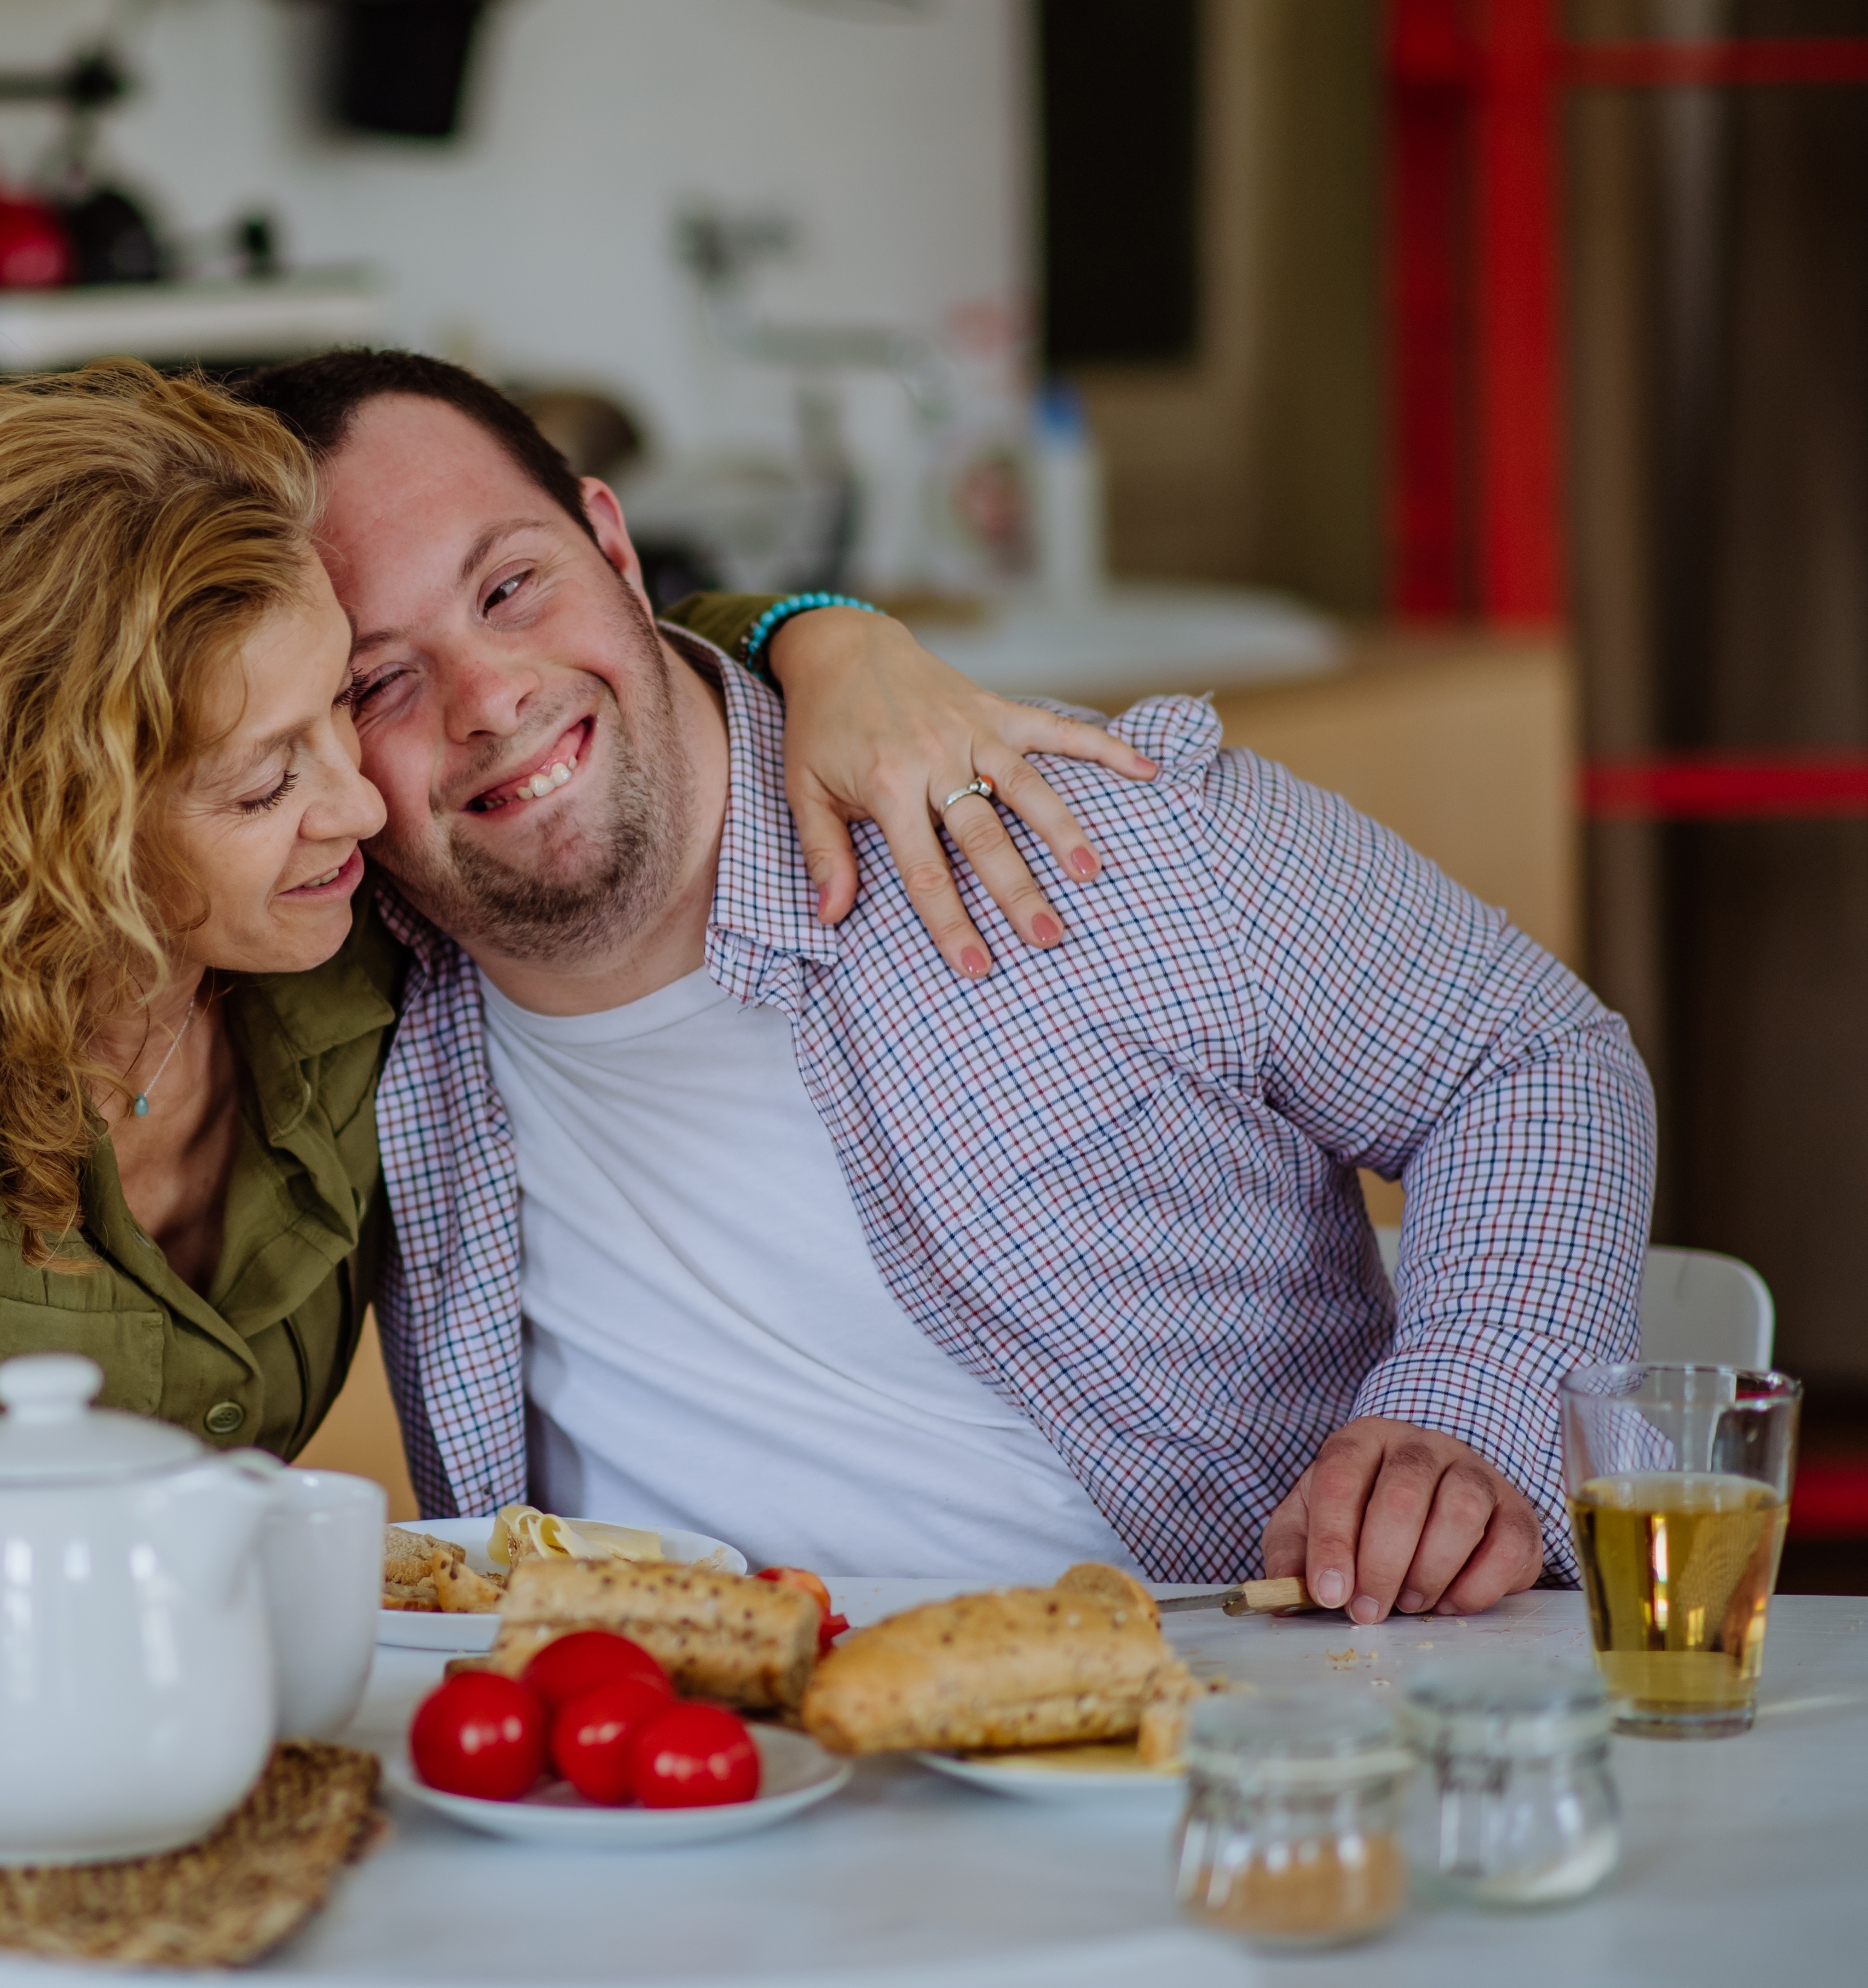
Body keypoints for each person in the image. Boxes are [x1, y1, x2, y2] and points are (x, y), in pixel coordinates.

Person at [0, 361, 1141, 1587]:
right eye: (263, 775)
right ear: (52, 832)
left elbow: (557, 650)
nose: (362, 798)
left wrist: (822, 636)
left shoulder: (349, 957)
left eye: (338, 713)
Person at [234, 350, 1656, 1625]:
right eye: (377, 683)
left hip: (1240, 1736)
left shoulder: (1075, 821)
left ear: (612, 542)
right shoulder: (337, 1010)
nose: (487, 698)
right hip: (685, 1814)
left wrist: (1461, 1407)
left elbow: (1524, 1056)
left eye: (510, 586)